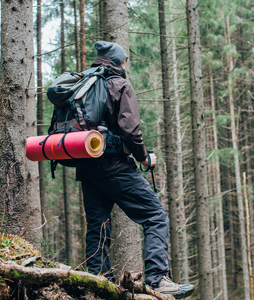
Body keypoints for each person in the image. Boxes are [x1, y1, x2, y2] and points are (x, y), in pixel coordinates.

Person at [75, 41, 195, 299]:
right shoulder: (119, 84)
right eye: (125, 61)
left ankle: (99, 284)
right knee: (155, 216)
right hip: (116, 167)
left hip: (86, 167)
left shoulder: (84, 84)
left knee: (98, 226)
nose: (126, 65)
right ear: (117, 62)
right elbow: (130, 130)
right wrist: (143, 157)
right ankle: (157, 279)